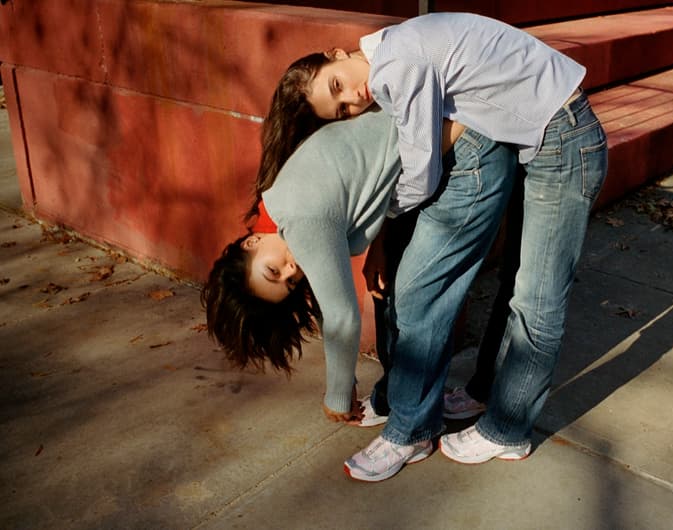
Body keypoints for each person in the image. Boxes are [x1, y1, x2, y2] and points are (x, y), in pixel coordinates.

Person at [277, 12, 608, 481]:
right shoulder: (394, 47)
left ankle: (507, 430)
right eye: (344, 110)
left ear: (336, 54)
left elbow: (420, 174)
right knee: (520, 285)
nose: (354, 99)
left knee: (537, 298)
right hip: (545, 135)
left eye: (337, 87)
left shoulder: (396, 63)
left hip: (562, 140)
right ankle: (483, 393)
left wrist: (382, 217)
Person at [202, 108, 517, 426]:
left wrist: (337, 395)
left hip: (465, 145)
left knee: (416, 304)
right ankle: (399, 406)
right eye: (290, 282)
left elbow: (342, 317)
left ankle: (413, 429)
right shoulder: (280, 203)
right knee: (398, 300)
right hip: (449, 138)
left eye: (272, 270)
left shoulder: (299, 221)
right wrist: (347, 377)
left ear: (251, 243)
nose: (292, 269)